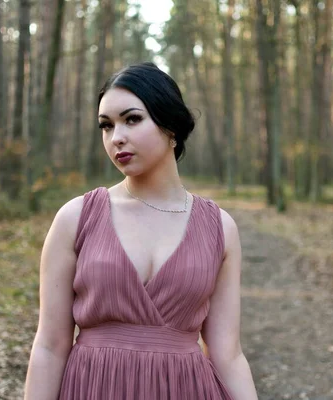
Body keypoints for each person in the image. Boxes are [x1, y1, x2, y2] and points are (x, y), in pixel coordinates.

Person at [23, 62, 258, 400]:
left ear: (171, 126)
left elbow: (228, 353)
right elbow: (49, 345)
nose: (117, 137)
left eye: (132, 119)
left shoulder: (219, 227)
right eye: (106, 125)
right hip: (92, 388)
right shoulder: (76, 218)